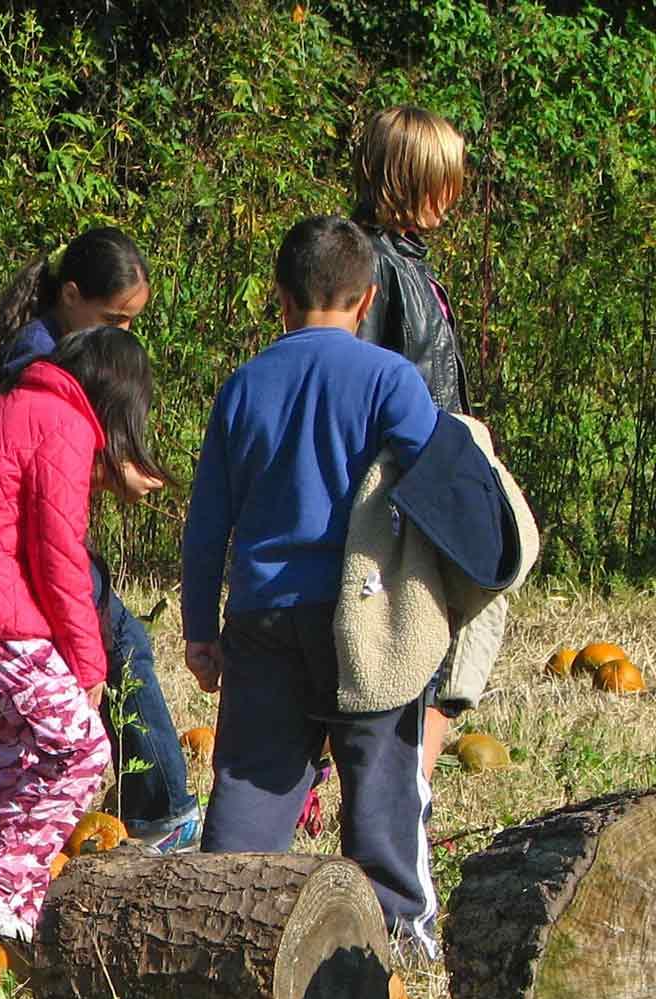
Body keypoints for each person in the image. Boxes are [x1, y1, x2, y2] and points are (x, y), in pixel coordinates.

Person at [181, 215, 443, 956]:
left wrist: (201, 627)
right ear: (366, 302)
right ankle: (394, 937)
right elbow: (437, 484)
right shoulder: (390, 378)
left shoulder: (244, 385)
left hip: (263, 613)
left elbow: (207, 525)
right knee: (380, 781)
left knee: (252, 788)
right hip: (362, 618)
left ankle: (223, 935)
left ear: (280, 298)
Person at [0, 228, 199, 856]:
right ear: (72, 296)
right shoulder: (42, 366)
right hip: (6, 561)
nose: (122, 335)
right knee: (72, 681)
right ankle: (153, 813)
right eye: (115, 319)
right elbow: (48, 502)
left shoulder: (44, 353)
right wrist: (110, 465)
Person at [0, 325, 168, 944]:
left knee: (9, 769)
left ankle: (11, 915)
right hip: (0, 620)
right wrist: (90, 665)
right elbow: (60, 559)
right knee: (81, 750)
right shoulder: (64, 425)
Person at [352, 105, 477, 779]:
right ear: (407, 180)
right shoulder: (372, 265)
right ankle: (403, 792)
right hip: (407, 489)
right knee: (423, 639)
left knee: (458, 629)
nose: (454, 197)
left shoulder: (409, 263)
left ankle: (408, 789)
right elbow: (367, 387)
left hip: (434, 478)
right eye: (443, 181)